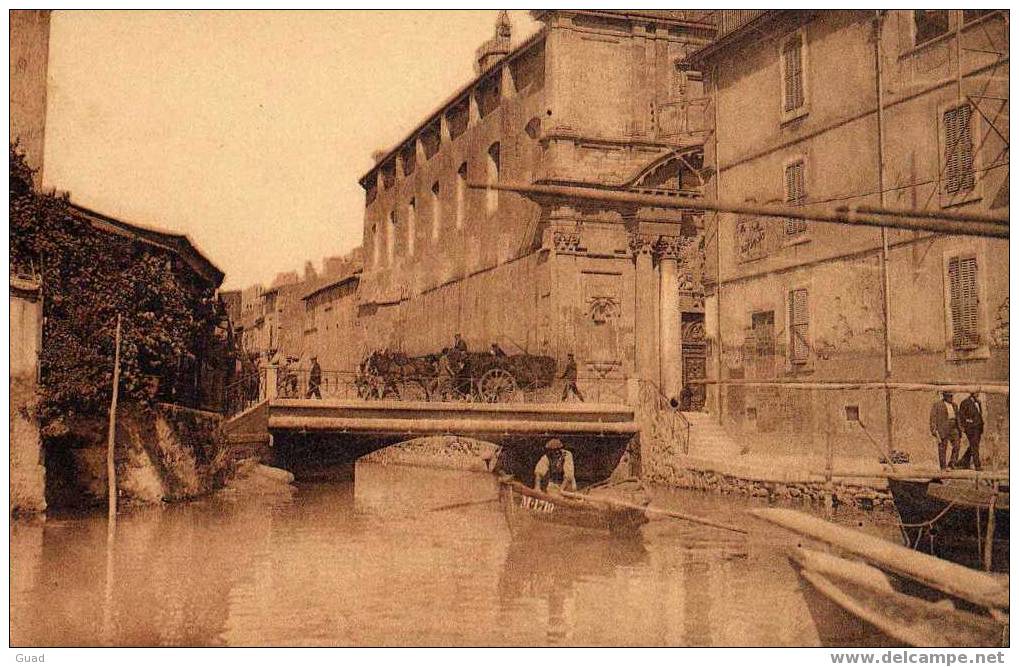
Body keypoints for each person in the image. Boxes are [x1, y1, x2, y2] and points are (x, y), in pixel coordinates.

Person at [929, 391, 961, 470]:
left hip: (954, 427)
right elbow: (933, 418)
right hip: (943, 428)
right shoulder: (937, 405)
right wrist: (934, 430)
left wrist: (960, 428)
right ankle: (943, 467)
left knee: (957, 445)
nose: (951, 398)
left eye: (951, 396)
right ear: (944, 396)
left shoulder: (955, 405)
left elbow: (958, 417)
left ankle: (952, 463)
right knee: (942, 447)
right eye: (949, 396)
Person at [958, 392, 985, 470]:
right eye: (976, 393)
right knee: (974, 446)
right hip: (971, 428)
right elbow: (961, 415)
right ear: (971, 393)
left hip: (978, 428)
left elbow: (979, 414)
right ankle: (977, 465)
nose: (978, 394)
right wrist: (966, 423)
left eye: (978, 393)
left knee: (974, 446)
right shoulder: (965, 402)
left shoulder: (978, 402)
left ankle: (963, 462)